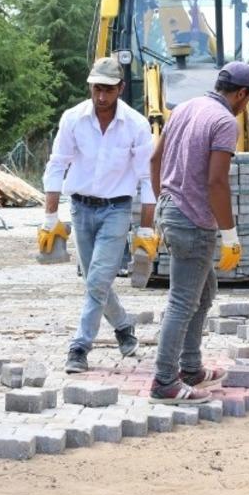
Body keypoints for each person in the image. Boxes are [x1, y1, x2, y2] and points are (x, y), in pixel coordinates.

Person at [148, 61, 249, 404]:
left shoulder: (185, 108)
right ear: (240, 93)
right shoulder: (225, 122)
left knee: (205, 291)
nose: (248, 107)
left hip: (173, 212)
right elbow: (216, 182)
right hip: (194, 222)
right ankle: (165, 381)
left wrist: (164, 201)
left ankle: (191, 367)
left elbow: (155, 159)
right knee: (182, 301)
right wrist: (230, 235)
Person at [40, 57, 158, 374]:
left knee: (96, 281)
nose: (101, 97)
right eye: (96, 89)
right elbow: (57, 164)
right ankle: (123, 327)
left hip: (116, 209)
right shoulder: (73, 119)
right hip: (80, 208)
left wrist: (146, 230)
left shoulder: (136, 125)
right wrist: (50, 217)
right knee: (97, 282)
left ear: (120, 88)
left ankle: (79, 347)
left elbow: (147, 179)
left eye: (107, 90)